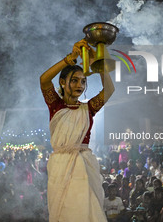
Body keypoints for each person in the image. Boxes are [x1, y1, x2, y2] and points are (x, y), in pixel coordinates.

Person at [40, 39, 114, 222]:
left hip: (85, 165)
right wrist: (70, 59)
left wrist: (96, 64)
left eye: (83, 81)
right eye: (74, 81)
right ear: (63, 82)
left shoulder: (87, 109)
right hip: (60, 166)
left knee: (89, 212)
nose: (80, 85)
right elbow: (44, 80)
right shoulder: (55, 105)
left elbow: (110, 89)